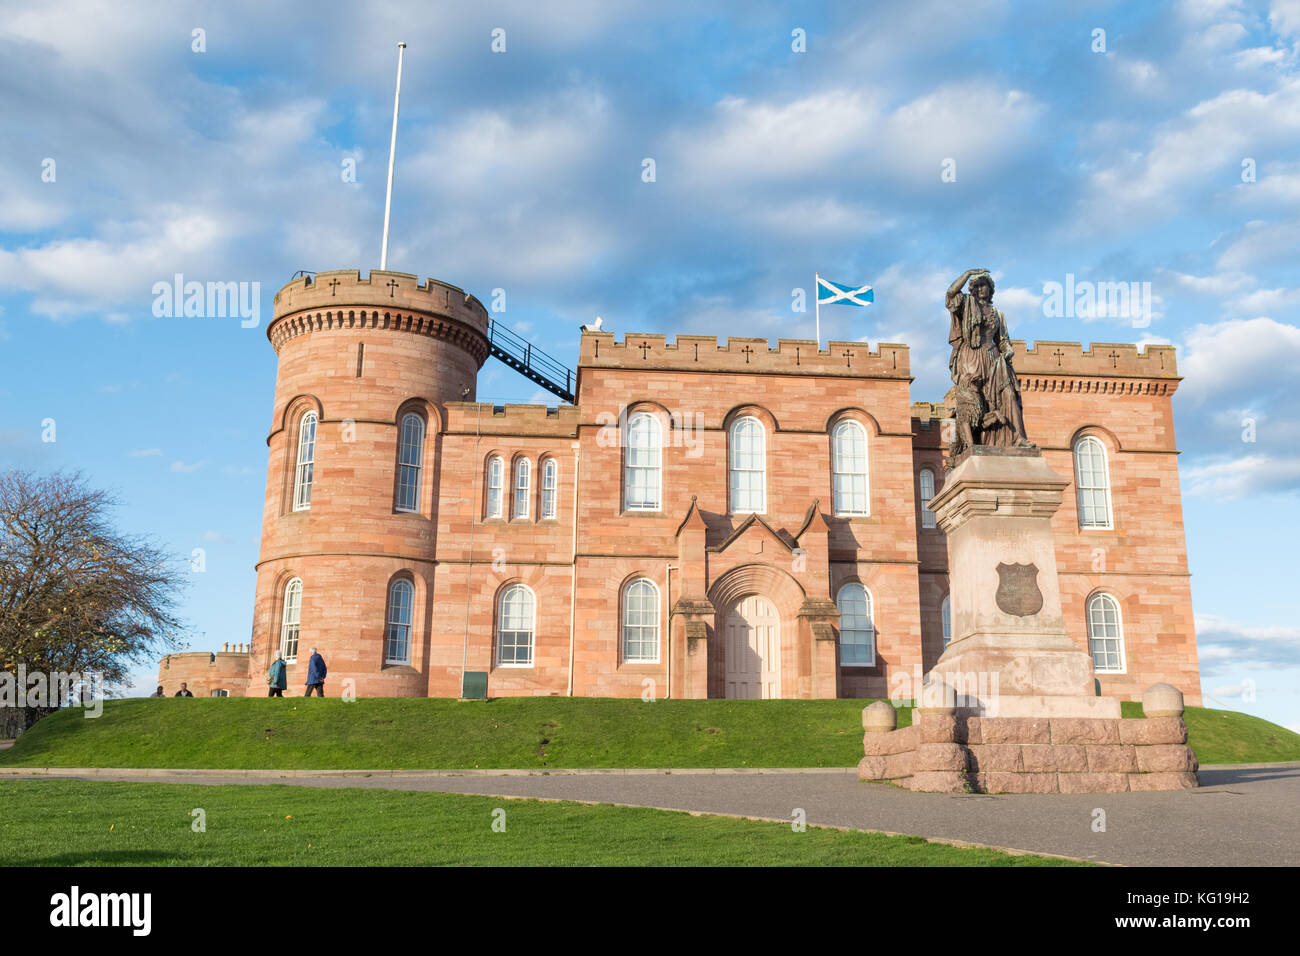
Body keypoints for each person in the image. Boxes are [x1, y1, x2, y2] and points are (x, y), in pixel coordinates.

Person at [945, 268, 1033, 452]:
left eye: (983, 285)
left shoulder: (998, 313)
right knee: (975, 402)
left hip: (994, 358)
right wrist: (968, 274)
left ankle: (1018, 438)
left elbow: (1003, 340)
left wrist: (1008, 351)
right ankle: (974, 444)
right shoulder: (966, 303)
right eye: (975, 286)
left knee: (1008, 394)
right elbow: (950, 293)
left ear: (990, 288)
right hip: (971, 357)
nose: (980, 289)